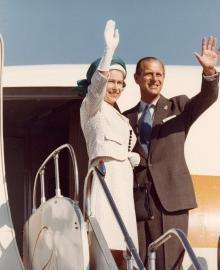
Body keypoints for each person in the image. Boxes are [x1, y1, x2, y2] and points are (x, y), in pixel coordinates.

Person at [123, 36, 220, 269]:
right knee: (140, 263)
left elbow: (207, 98)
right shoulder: (125, 118)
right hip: (138, 202)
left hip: (172, 201)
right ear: (137, 78)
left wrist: (209, 72)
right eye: (148, 74)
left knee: (169, 264)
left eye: (159, 74)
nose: (154, 79)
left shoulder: (179, 107)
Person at [78, 20, 140, 268]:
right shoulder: (92, 108)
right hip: (106, 178)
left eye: (120, 82)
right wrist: (108, 53)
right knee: (107, 238)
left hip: (123, 181)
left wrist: (128, 158)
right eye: (111, 81)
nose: (115, 87)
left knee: (125, 243)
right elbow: (96, 89)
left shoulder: (121, 117)